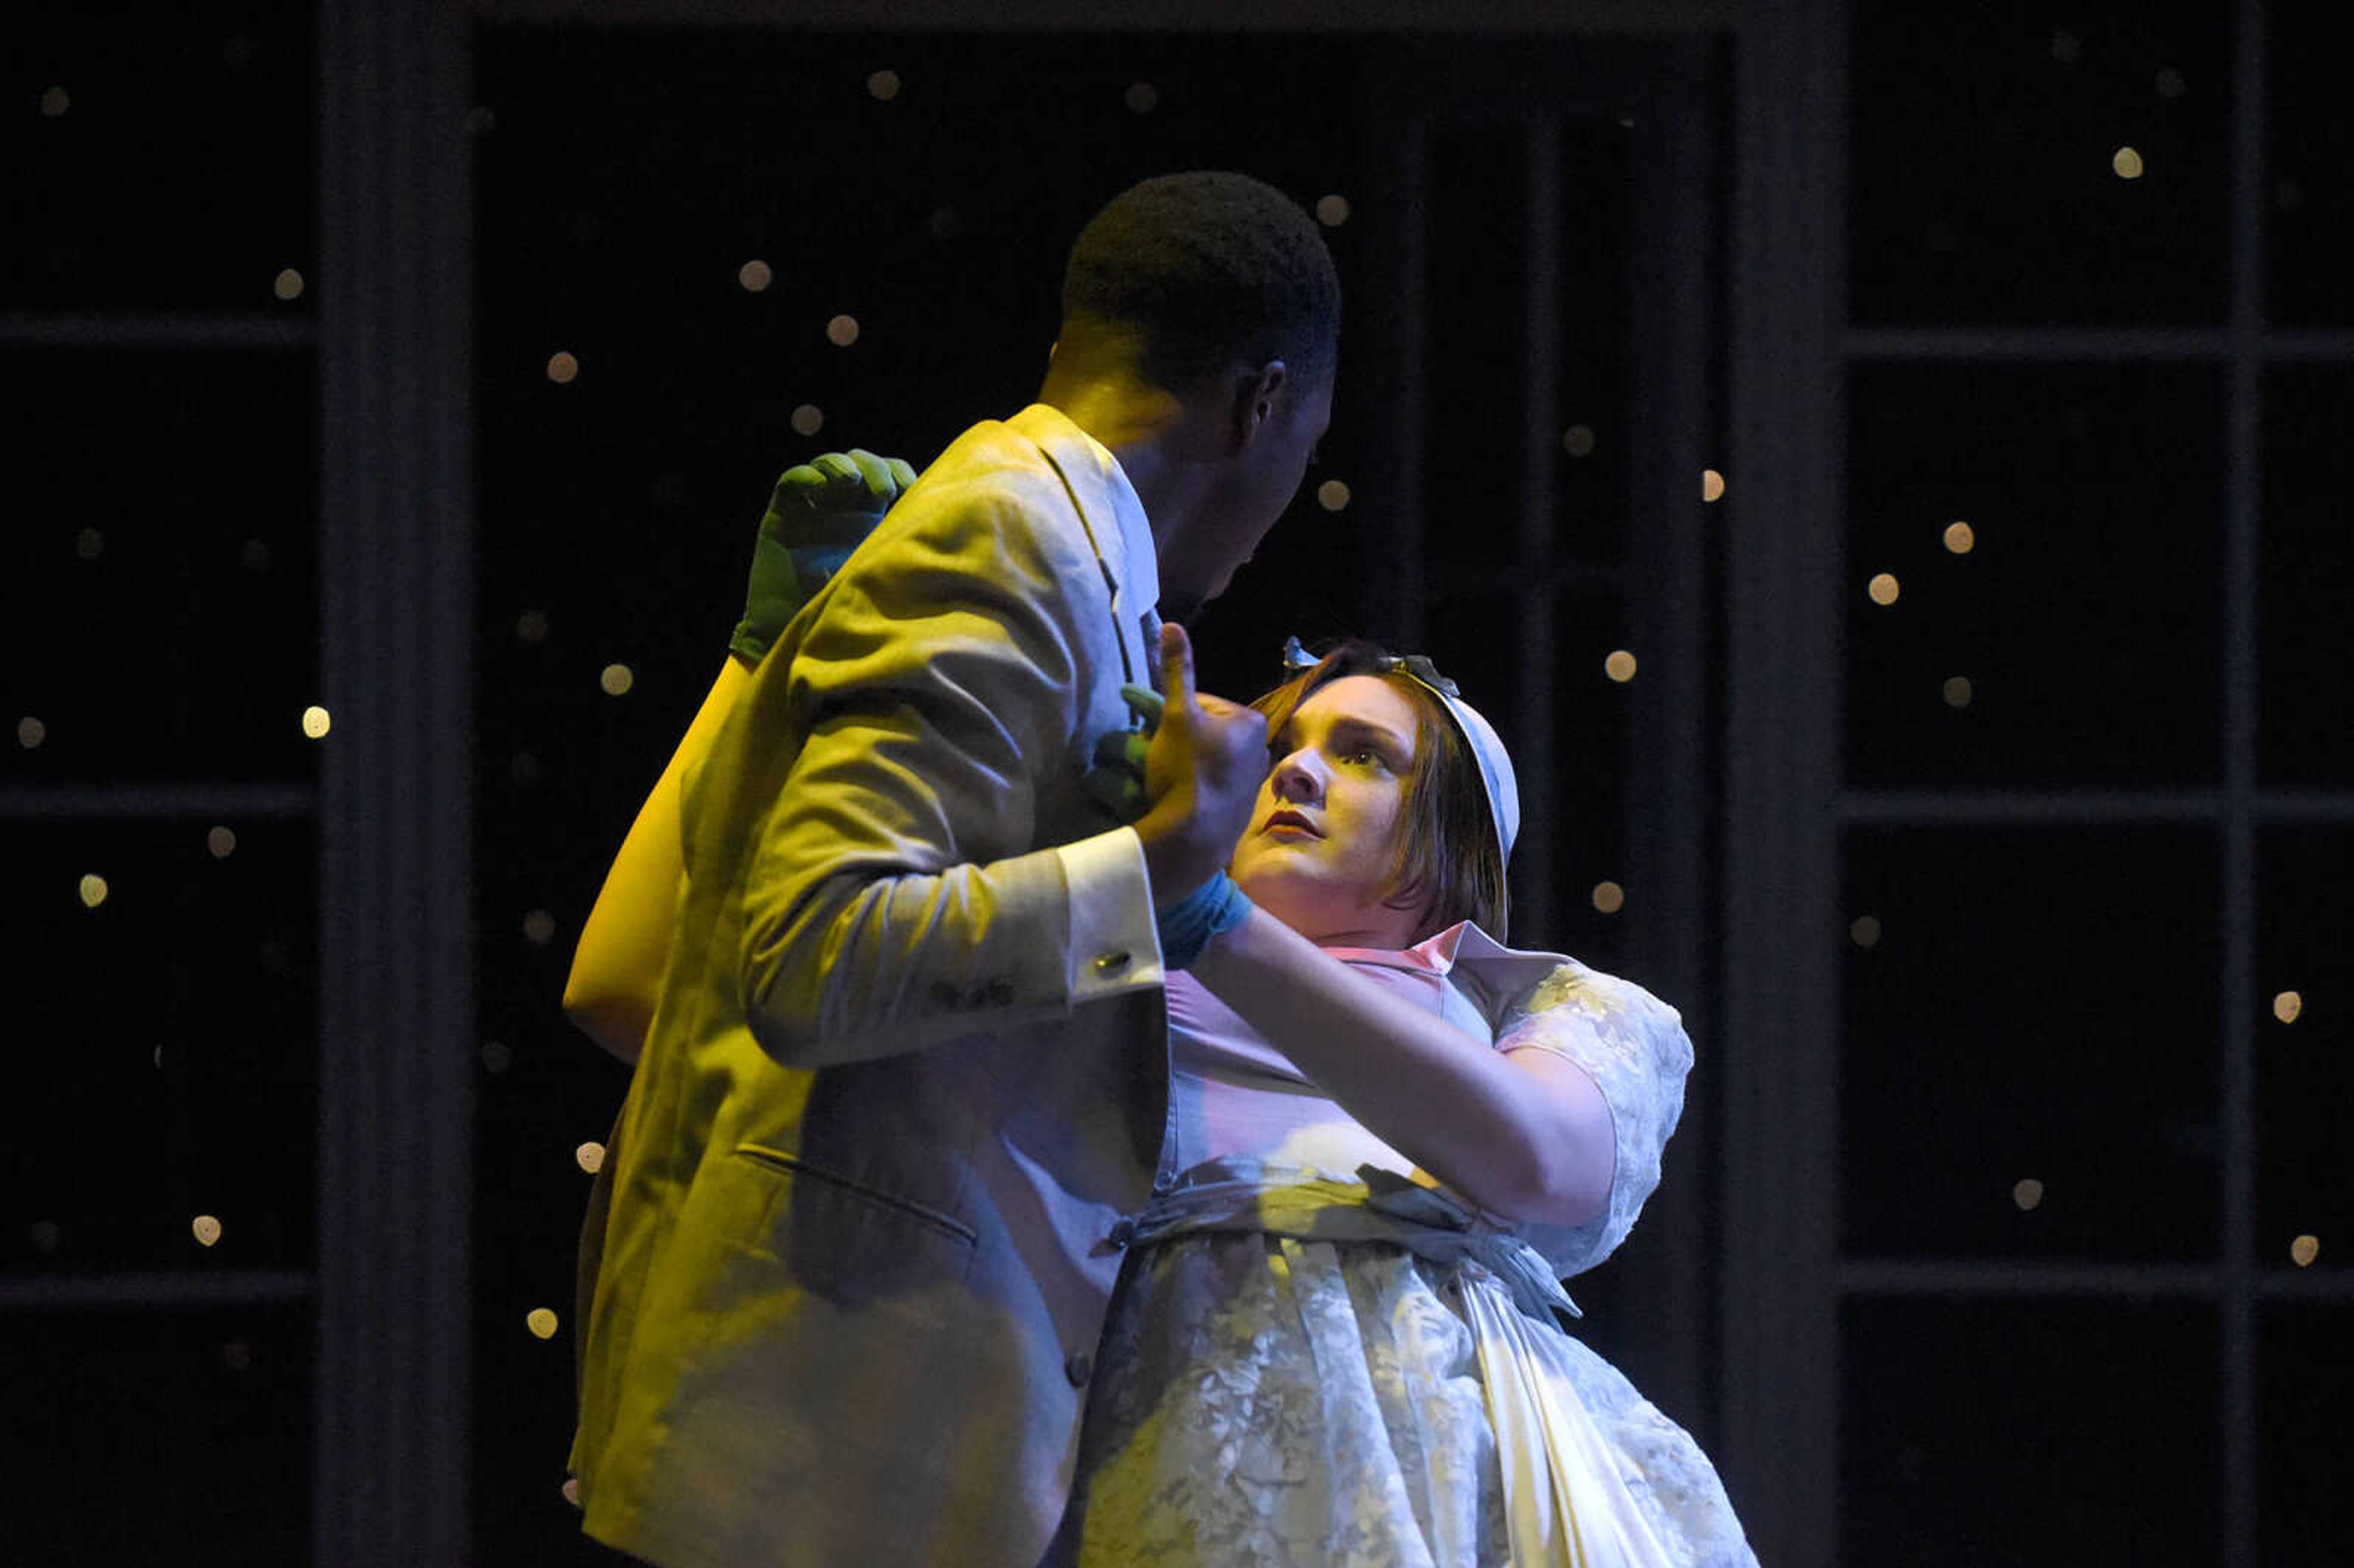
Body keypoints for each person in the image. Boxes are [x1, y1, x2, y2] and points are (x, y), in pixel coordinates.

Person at [562, 170, 1338, 1568]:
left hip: (870, 1451)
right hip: (812, 1450)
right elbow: (811, 956)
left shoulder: (1068, 546)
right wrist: (1156, 870)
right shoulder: (1010, 533)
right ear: (1262, 404)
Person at [1051, 637, 1758, 1567]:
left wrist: (1213, 925)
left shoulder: (1545, 1008)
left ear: (1451, 836)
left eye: (1362, 755)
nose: (1296, 771)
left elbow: (1542, 1158)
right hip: (1129, 1407)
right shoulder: (1109, 958)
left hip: (1433, 1435)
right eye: (1278, 750)